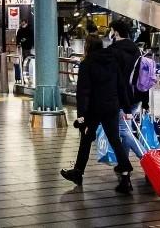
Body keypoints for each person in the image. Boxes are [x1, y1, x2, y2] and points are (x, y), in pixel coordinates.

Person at [61, 34, 134, 193]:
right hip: (111, 106)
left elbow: (83, 92)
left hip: (94, 109)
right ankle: (126, 178)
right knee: (115, 140)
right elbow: (121, 86)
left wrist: (81, 114)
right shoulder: (113, 61)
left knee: (86, 139)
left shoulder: (87, 64)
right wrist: (127, 109)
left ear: (87, 47)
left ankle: (78, 173)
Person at [109, 19, 145, 161]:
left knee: (124, 131)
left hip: (121, 97)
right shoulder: (136, 49)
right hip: (136, 96)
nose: (110, 33)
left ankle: (147, 159)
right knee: (126, 129)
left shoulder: (114, 50)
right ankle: (123, 165)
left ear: (116, 32)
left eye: (111, 30)